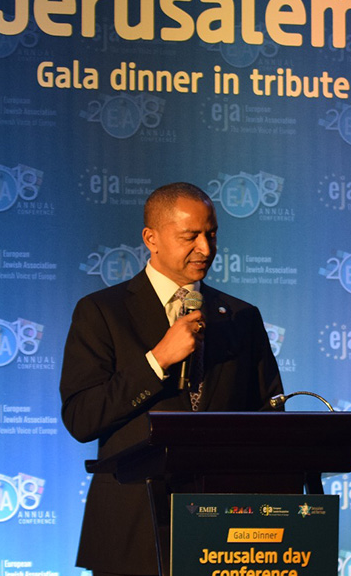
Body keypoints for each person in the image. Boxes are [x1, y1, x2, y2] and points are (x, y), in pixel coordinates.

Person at [60, 182, 283, 576]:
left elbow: (269, 418)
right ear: (152, 238)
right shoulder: (102, 312)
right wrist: (156, 361)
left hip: (226, 537)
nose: (206, 249)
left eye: (211, 234)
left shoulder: (241, 317)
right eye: (190, 236)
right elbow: (82, 418)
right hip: (134, 530)